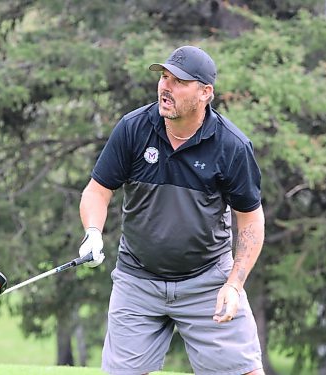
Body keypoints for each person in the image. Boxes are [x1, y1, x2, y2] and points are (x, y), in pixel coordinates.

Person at [78, 45, 265, 375]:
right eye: (164, 77)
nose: (166, 86)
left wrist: (234, 283)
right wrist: (93, 232)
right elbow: (98, 190)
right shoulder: (134, 128)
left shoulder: (231, 145)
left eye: (179, 81)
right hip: (138, 279)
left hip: (207, 281)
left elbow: (250, 220)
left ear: (205, 93)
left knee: (245, 371)